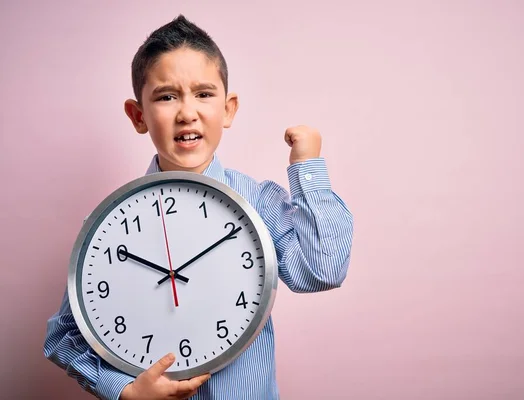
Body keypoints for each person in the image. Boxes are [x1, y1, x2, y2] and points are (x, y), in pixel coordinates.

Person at [44, 14, 353, 400]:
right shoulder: (109, 221)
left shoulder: (257, 201)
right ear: (138, 115)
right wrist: (123, 391)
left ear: (228, 109)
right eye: (167, 96)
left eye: (203, 94)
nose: (187, 112)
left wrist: (306, 167)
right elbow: (63, 335)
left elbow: (323, 269)